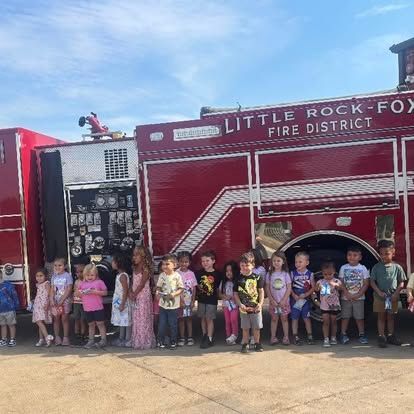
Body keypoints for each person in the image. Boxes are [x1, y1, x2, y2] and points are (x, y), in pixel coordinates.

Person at [370, 239, 406, 348]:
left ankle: (391, 336)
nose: (384, 256)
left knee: (391, 317)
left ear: (393, 252)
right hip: (380, 297)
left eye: (387, 253)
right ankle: (381, 337)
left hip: (392, 297)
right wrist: (379, 292)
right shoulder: (376, 267)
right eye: (381, 254)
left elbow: (401, 282)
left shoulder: (397, 268)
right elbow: (372, 282)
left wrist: (396, 293)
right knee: (381, 317)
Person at [234, 252, 265, 353]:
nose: (244, 267)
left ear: (253, 265)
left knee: (256, 327)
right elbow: (235, 294)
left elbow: (261, 291)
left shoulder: (257, 277)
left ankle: (257, 343)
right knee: (245, 327)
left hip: (256, 307)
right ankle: (245, 344)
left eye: (247, 265)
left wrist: (260, 304)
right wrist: (240, 304)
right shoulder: (238, 279)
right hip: (244, 308)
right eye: (242, 265)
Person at [338, 246, 370, 344]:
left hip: (359, 298)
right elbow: (341, 282)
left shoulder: (363, 268)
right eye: (349, 255)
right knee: (345, 317)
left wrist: (359, 294)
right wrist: (346, 293)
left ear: (360, 257)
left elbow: (366, 283)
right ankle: (343, 334)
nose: (352, 257)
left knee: (359, 317)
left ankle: (362, 334)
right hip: (345, 297)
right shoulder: (343, 268)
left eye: (355, 255)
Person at [76, 264, 108, 349]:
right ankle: (91, 340)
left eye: (92, 275)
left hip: (98, 307)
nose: (90, 277)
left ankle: (103, 340)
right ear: (84, 275)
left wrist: (95, 292)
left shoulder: (99, 282)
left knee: (100, 324)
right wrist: (79, 293)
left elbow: (105, 292)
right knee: (91, 324)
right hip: (87, 308)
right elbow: (77, 294)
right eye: (88, 275)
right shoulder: (82, 284)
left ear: (96, 275)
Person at [130, 246, 156, 350]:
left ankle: (145, 340)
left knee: (143, 317)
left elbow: (142, 284)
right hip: (136, 295)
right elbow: (133, 282)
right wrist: (131, 293)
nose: (134, 257)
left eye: (136, 255)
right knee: (137, 317)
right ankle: (137, 340)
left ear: (143, 256)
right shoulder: (134, 267)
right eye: (134, 255)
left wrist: (134, 294)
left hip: (143, 296)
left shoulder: (145, 268)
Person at [156, 254, 184, 349]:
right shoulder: (161, 275)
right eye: (163, 264)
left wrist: (174, 294)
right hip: (162, 305)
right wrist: (157, 292)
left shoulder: (177, 276)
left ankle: (173, 341)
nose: (164, 266)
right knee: (162, 324)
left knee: (173, 324)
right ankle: (160, 341)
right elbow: (158, 286)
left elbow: (181, 288)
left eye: (167, 264)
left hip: (173, 306)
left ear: (174, 265)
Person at [196, 250, 222, 348]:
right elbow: (197, 285)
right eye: (203, 261)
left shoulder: (217, 274)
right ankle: (204, 335)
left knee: (209, 319)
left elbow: (218, 288)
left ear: (213, 261)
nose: (205, 263)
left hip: (212, 301)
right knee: (202, 318)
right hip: (201, 300)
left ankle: (210, 338)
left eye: (207, 261)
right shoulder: (199, 273)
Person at [265, 251, 291, 346]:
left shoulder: (285, 274)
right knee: (274, 319)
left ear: (283, 262)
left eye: (278, 260)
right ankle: (273, 337)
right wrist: (271, 300)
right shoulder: (269, 274)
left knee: (284, 319)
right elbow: (267, 287)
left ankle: (286, 337)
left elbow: (289, 288)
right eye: (274, 260)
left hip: (284, 302)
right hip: (273, 303)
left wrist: (284, 300)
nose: (276, 262)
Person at [315, 261, 342, 347]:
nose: (328, 276)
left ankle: (333, 337)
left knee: (334, 321)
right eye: (325, 274)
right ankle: (326, 338)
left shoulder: (337, 281)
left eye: (330, 274)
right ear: (322, 273)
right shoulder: (320, 281)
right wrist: (318, 287)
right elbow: (315, 290)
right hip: (324, 306)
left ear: (334, 272)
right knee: (325, 322)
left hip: (334, 306)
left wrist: (334, 284)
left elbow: (341, 287)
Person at [290, 251, 315, 345]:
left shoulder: (310, 274)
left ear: (307, 263)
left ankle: (310, 335)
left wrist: (306, 294)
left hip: (305, 299)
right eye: (296, 262)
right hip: (295, 299)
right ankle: (295, 336)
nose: (297, 264)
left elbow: (313, 287)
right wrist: (294, 295)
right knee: (294, 318)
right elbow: (289, 286)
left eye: (300, 262)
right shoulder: (292, 273)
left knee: (306, 317)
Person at [50, 257, 73, 346]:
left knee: (64, 319)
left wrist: (62, 299)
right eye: (55, 265)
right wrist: (51, 299)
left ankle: (66, 338)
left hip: (65, 301)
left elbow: (69, 289)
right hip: (56, 301)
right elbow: (52, 289)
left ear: (64, 266)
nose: (57, 267)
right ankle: (57, 337)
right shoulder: (54, 276)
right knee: (56, 319)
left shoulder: (67, 276)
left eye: (60, 265)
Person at [177, 251, 197, 346]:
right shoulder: (176, 273)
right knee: (181, 319)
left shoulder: (191, 273)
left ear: (189, 262)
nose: (184, 264)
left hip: (189, 301)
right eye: (181, 261)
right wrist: (180, 301)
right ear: (178, 262)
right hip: (179, 301)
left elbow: (194, 288)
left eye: (186, 261)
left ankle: (190, 337)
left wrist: (193, 301)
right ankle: (181, 338)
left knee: (189, 319)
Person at [111, 253, 132, 347]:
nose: (112, 263)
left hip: (123, 302)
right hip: (118, 301)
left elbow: (125, 290)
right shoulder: (119, 275)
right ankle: (121, 337)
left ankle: (127, 339)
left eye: (113, 261)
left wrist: (123, 303)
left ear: (118, 263)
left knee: (126, 320)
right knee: (121, 320)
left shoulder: (123, 276)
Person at [32, 268, 54, 347]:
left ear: (45, 276)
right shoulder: (38, 285)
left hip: (44, 305)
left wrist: (48, 303)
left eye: (41, 276)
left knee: (39, 322)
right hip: (37, 305)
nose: (39, 277)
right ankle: (41, 339)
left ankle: (47, 338)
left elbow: (49, 294)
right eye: (37, 276)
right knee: (39, 322)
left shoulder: (47, 283)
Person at [219, 260, 239, 345]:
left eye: (230, 271)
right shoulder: (223, 282)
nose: (228, 273)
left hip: (235, 305)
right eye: (227, 271)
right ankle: (228, 336)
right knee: (227, 321)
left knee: (233, 319)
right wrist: (224, 297)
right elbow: (219, 293)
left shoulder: (237, 282)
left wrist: (234, 298)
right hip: (226, 305)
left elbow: (239, 293)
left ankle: (234, 335)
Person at [0, 268, 19, 347]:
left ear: (1, 274)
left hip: (9, 309)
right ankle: (3, 339)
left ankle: (12, 339)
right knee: (2, 325)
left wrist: (16, 305)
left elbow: (14, 295)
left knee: (11, 324)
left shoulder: (8, 285)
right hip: (0, 311)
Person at [73, 262, 88, 343]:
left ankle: (83, 334)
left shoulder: (87, 282)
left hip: (84, 303)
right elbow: (75, 290)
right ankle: (76, 333)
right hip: (76, 302)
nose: (79, 274)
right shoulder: (76, 281)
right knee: (76, 318)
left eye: (81, 272)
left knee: (83, 319)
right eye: (77, 272)